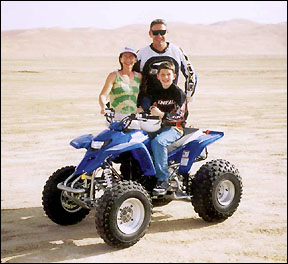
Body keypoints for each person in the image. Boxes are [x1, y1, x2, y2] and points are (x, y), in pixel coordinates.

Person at [134, 18, 197, 113]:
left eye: (162, 32)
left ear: (167, 32)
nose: (159, 36)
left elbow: (191, 74)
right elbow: (131, 78)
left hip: (171, 99)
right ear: (150, 33)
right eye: (155, 32)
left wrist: (187, 98)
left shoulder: (177, 51)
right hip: (148, 101)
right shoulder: (141, 54)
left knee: (173, 125)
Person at [146, 61, 187, 195]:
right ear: (158, 76)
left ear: (174, 76)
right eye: (162, 74)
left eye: (168, 74)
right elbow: (152, 107)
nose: (165, 77)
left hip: (175, 128)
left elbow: (182, 115)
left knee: (158, 142)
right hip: (157, 127)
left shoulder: (178, 93)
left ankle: (163, 179)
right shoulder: (156, 92)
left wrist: (163, 115)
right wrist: (151, 109)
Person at [99, 46, 142, 123]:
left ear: (135, 60)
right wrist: (103, 107)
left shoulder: (139, 76)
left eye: (131, 57)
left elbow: (142, 95)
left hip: (132, 117)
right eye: (125, 56)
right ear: (120, 59)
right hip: (115, 118)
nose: (128, 59)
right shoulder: (114, 75)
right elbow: (103, 95)